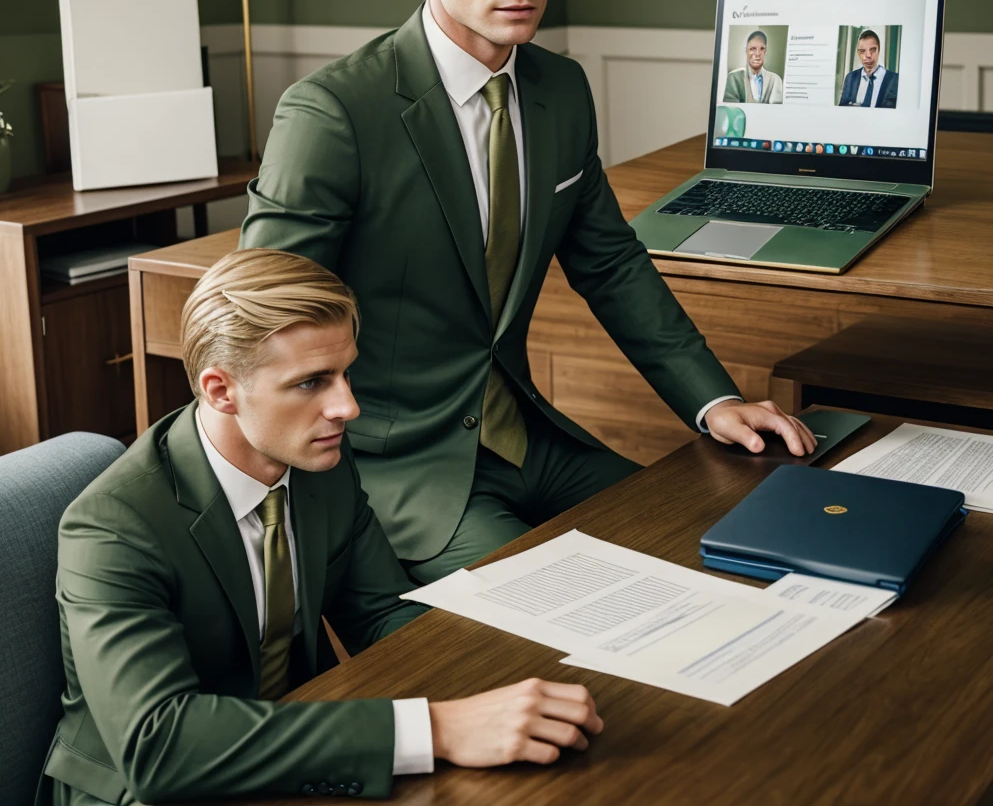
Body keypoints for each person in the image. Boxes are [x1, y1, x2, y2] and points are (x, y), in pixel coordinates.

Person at [241, 0, 816, 584]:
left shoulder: (561, 90)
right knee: (575, 610)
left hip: (528, 435)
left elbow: (610, 263)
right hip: (402, 466)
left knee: (713, 546)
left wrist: (714, 401)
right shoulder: (333, 113)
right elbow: (262, 326)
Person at [38, 249, 603, 805]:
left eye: (346, 373)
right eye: (311, 382)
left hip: (301, 754)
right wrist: (435, 730)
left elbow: (382, 614)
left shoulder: (316, 461)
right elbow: (158, 746)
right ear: (220, 391)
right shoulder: (111, 528)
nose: (347, 406)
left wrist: (517, 665)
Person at [838, 29, 899, 108]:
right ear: (858, 52)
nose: (868, 55)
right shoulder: (851, 78)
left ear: (879, 50)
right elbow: (842, 108)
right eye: (862, 51)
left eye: (873, 50)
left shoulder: (895, 79)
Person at [723, 30, 784, 103]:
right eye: (752, 49)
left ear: (765, 51)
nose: (758, 53)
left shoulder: (775, 80)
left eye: (762, 49)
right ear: (746, 51)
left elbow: (776, 110)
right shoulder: (733, 77)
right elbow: (732, 110)